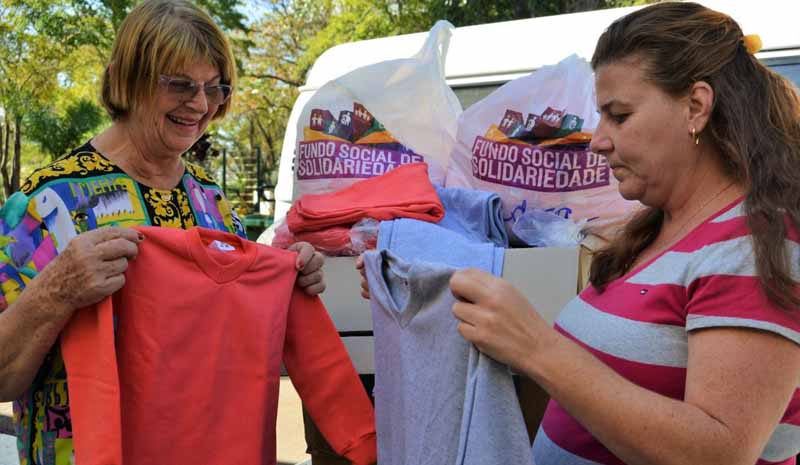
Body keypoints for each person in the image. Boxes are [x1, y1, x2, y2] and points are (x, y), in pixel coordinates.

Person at [355, 2, 800, 464]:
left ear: (696, 106)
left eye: (619, 115)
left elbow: (719, 453)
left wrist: (536, 347)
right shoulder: (654, 231)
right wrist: (433, 294)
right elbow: (598, 386)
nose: (597, 139)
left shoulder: (754, 242)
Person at [0, 1, 326, 464]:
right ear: (126, 81)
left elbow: (240, 350)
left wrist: (291, 282)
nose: (200, 104)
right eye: (179, 84)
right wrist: (57, 289)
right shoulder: (47, 204)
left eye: (215, 88)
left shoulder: (213, 205)